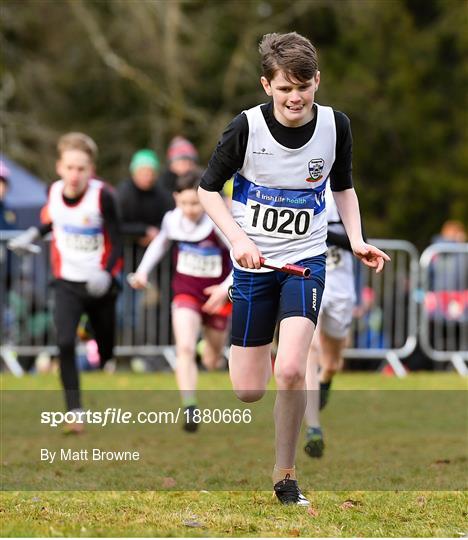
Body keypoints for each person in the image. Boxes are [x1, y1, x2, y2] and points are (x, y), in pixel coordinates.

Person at [197, 32, 390, 506]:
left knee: (290, 371)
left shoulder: (335, 126)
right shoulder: (244, 127)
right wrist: (239, 241)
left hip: (305, 263)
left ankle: (286, 477)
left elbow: (343, 187)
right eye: (284, 88)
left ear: (317, 81)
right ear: (267, 85)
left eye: (303, 85)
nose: (295, 97)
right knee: (247, 390)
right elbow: (207, 190)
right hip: (253, 265)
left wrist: (358, 238)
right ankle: (252, 339)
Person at [8, 132, 122, 433]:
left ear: (91, 170)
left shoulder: (103, 196)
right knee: (63, 343)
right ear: (60, 167)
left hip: (99, 285)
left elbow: (119, 241)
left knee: (106, 351)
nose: (75, 175)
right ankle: (75, 413)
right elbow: (51, 220)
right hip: (67, 283)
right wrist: (32, 235)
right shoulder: (53, 191)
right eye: (70, 167)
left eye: (81, 168)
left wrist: (107, 273)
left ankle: (94, 335)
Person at [128, 169, 232, 432]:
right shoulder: (172, 220)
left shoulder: (218, 222)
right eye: (185, 202)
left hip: (217, 297)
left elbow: (241, 256)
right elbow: (159, 245)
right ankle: (189, 405)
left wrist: (224, 288)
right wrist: (142, 271)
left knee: (212, 360)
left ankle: (204, 350)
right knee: (183, 347)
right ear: (176, 198)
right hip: (186, 293)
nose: (190, 209)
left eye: (196, 203)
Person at [303, 183, 357, 458]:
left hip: (340, 287)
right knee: (309, 349)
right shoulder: (296, 190)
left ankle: (325, 380)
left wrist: (321, 231)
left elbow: (355, 239)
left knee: (333, 362)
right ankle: (313, 426)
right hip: (309, 277)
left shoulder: (341, 194)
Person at [117, 149, 174, 247]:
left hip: (156, 249)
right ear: (134, 173)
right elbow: (117, 223)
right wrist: (144, 230)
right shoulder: (123, 193)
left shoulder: (162, 193)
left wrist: (157, 233)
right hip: (126, 251)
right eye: (143, 173)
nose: (148, 177)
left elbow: (170, 219)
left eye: (151, 173)